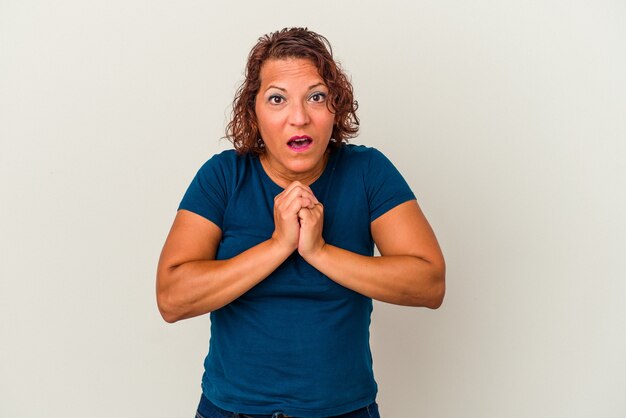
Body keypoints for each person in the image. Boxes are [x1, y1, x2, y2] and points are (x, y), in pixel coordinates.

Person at [157, 27, 445, 418]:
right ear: (253, 111)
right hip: (230, 410)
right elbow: (172, 299)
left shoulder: (368, 172)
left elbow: (429, 284)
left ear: (336, 108)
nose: (299, 117)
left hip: (343, 411)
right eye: (277, 99)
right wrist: (277, 245)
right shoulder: (223, 176)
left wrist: (319, 251)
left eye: (316, 97)